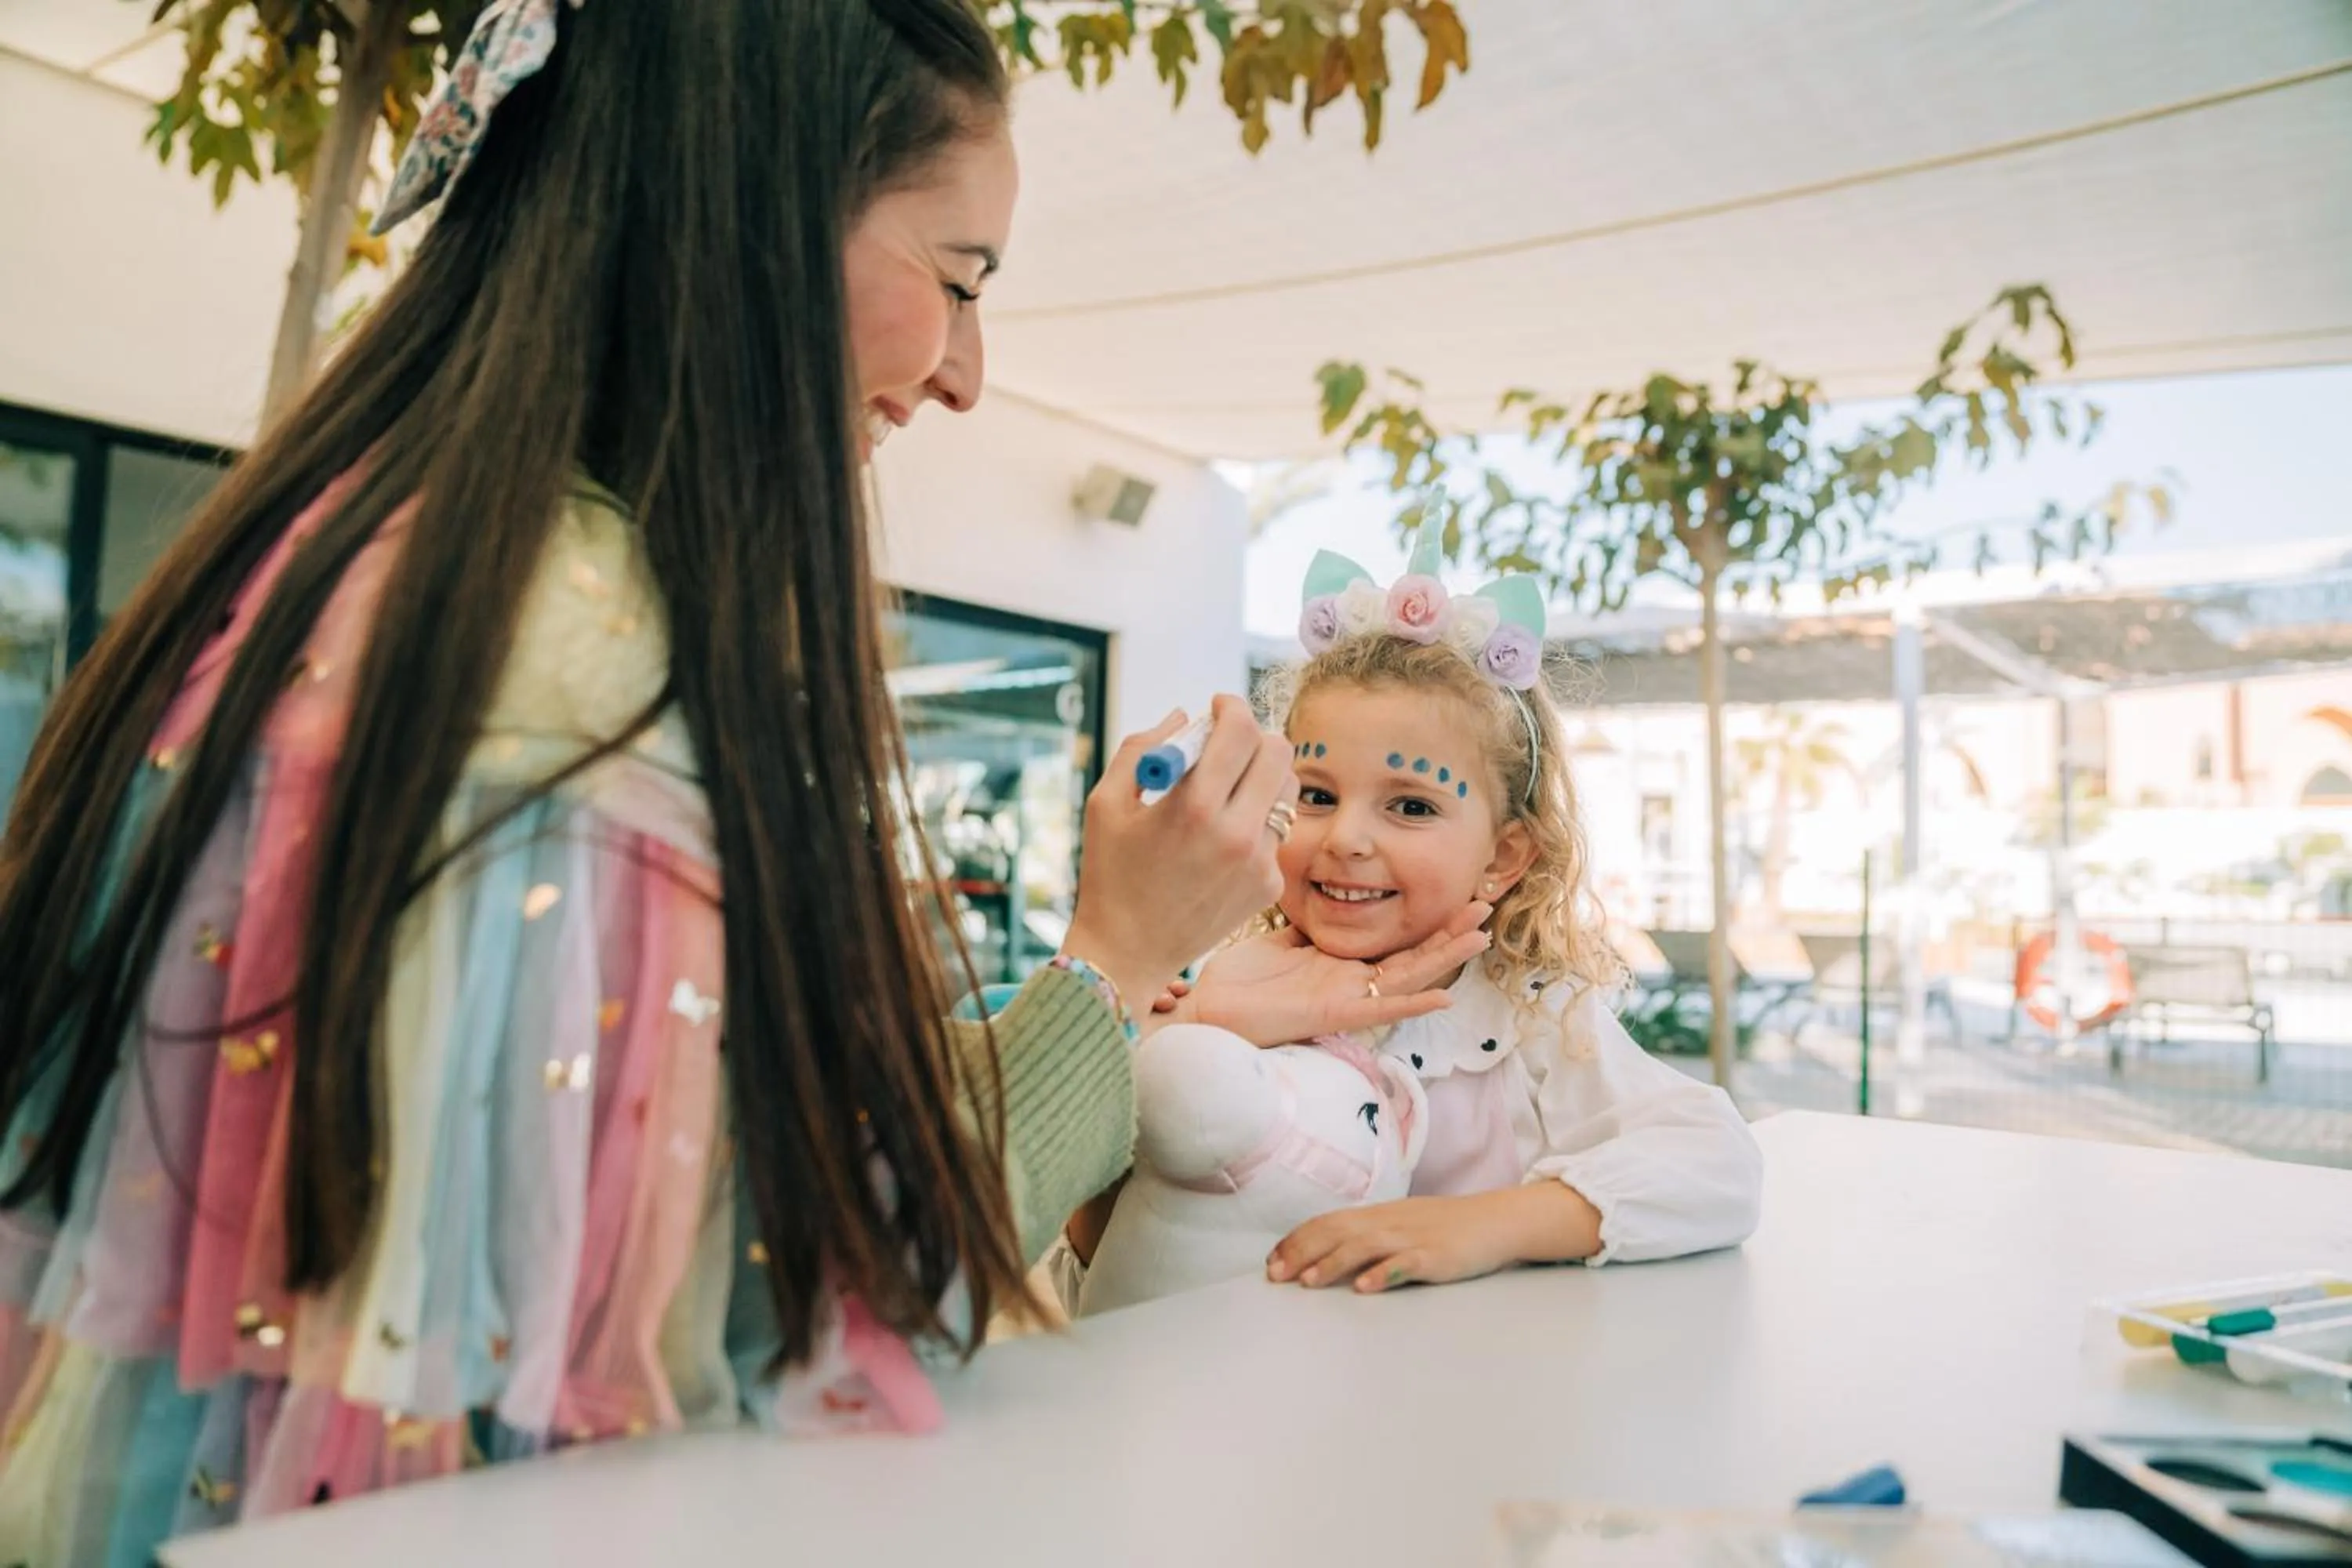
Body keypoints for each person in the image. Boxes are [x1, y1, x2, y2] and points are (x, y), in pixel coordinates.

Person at [0, 2, 1455, 1559]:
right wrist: (1113, 965)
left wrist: (1136, 992)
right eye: (957, 281)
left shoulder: (368, 567)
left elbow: (664, 1150)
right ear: (744, 219)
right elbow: (809, 1303)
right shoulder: (579, 693)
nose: (967, 373)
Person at [1079, 539, 1762, 1298]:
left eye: (1411, 805)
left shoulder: (1530, 1017)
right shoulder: (1228, 985)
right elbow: (1092, 1237)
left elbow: (1717, 1162)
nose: (1345, 839)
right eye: (1316, 795)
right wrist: (1192, 1029)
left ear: (1504, 857)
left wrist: (1483, 1227)